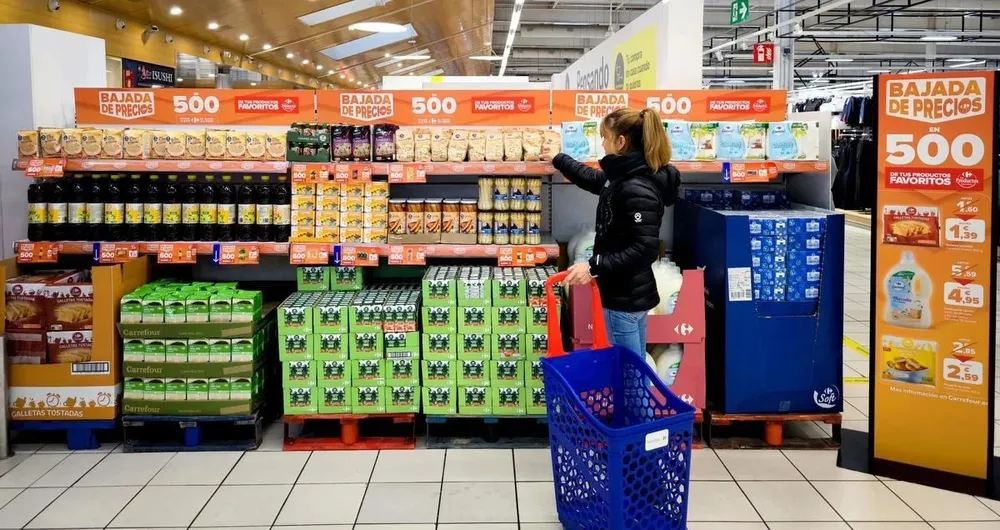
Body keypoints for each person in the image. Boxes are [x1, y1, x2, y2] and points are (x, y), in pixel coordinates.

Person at [548, 108, 680, 355]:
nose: (602, 143)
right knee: (634, 370)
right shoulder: (626, 177)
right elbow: (593, 179)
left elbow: (644, 250)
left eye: (605, 137)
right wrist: (558, 158)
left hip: (624, 301)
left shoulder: (636, 187)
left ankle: (632, 396)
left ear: (621, 142)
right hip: (628, 294)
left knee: (627, 375)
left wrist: (592, 266)